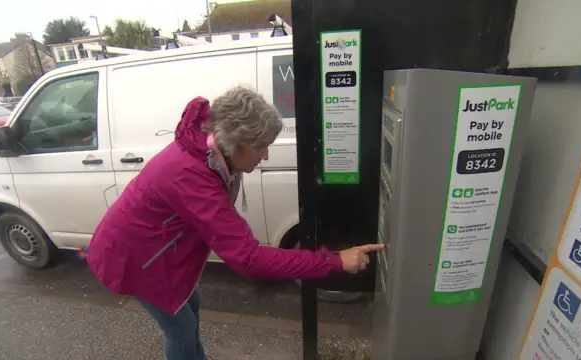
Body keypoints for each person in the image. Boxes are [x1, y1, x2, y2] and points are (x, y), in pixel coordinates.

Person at [86, 86, 383, 360]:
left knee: (193, 304)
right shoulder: (191, 175)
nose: (266, 155)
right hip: (133, 258)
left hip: (159, 251)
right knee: (181, 330)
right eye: (262, 146)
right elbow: (248, 259)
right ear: (238, 142)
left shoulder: (211, 152)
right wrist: (333, 262)